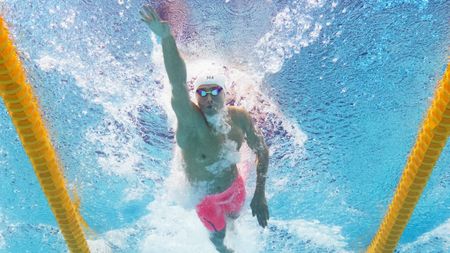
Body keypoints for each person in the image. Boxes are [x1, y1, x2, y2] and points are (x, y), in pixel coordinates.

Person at [140, 5, 269, 253]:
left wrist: (260, 194)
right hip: (206, 201)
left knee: (235, 219)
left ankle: (233, 230)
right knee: (218, 236)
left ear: (225, 95)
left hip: (235, 188)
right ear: (197, 98)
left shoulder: (239, 118)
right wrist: (167, 38)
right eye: (202, 93)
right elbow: (177, 83)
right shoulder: (189, 121)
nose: (208, 98)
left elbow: (261, 150)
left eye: (214, 91)